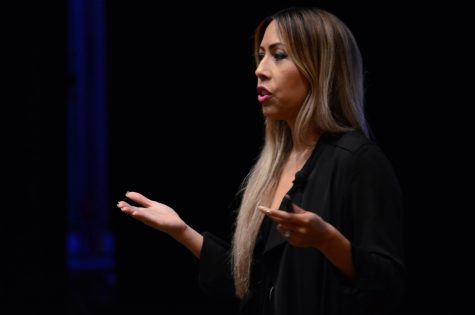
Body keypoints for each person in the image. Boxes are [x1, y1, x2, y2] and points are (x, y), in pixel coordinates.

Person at [117, 6, 405, 315]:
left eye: (278, 55)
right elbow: (253, 287)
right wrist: (182, 231)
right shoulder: (274, 165)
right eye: (260, 55)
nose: (260, 69)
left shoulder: (358, 161)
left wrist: (328, 241)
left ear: (319, 67)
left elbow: (387, 286)